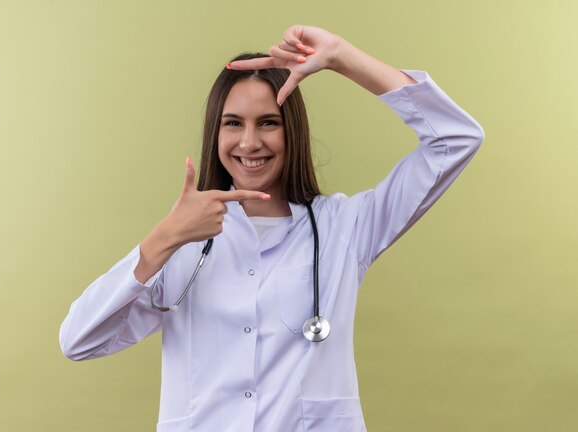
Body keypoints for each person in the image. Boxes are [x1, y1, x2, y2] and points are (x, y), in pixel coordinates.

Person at [60, 25, 484, 432]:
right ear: (215, 133)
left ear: (291, 130)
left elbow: (456, 137)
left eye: (268, 122)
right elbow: (79, 341)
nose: (249, 143)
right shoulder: (181, 246)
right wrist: (166, 236)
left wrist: (342, 57)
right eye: (233, 123)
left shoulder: (344, 228)